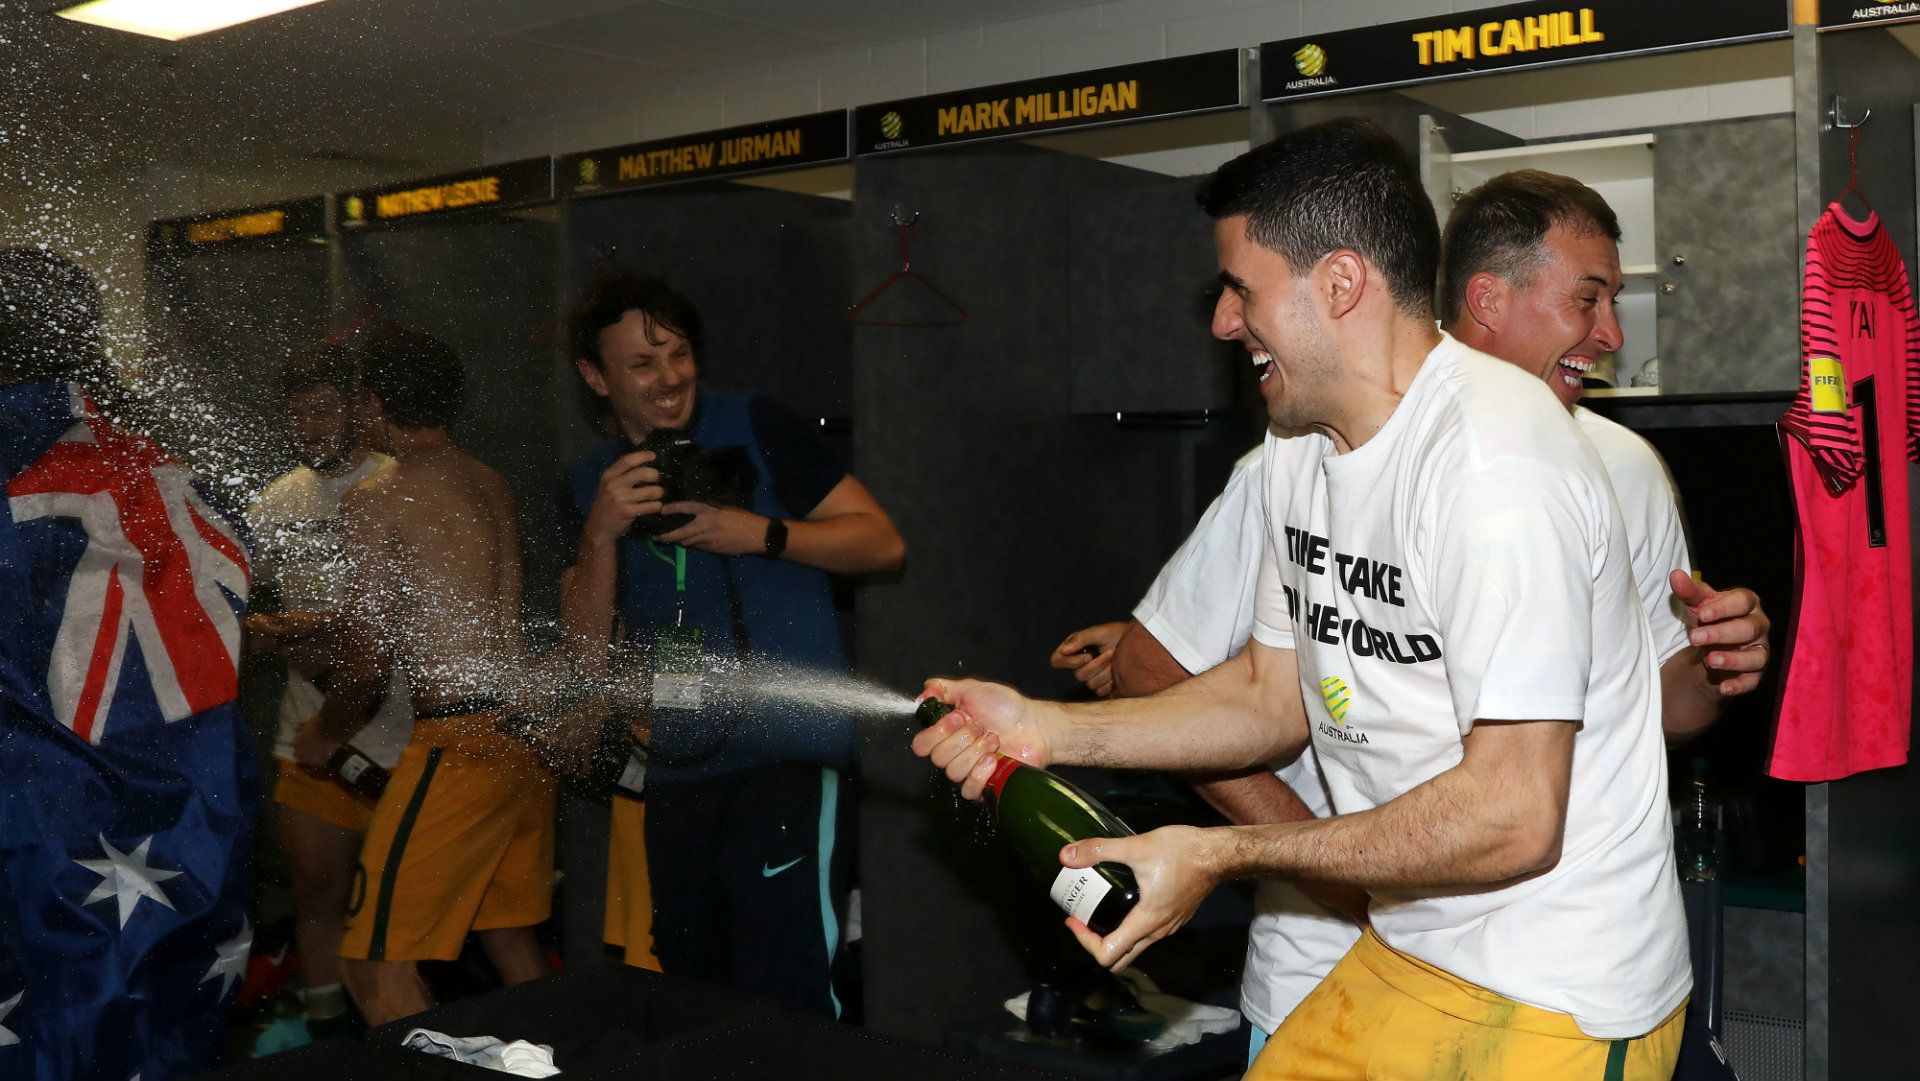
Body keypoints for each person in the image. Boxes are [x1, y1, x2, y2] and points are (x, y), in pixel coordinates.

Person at [918, 119, 1690, 1079]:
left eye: (1243, 290)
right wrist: (1045, 728)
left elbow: (1514, 813)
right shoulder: (1298, 449)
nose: (1223, 323)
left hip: (1556, 982)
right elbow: (1264, 693)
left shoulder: (1496, 463)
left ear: (1340, 283)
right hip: (1415, 944)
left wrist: (1219, 854)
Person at [560, 272, 903, 1016]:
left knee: (787, 981)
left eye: (678, 355)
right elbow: (588, 656)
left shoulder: (753, 422)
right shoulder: (591, 482)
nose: (668, 378)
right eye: (641, 365)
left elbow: (883, 544)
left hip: (789, 754)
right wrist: (600, 533)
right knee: (691, 982)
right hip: (679, 769)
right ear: (596, 377)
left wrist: (762, 534)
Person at [0, 248, 257, 1079]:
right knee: (164, 1041)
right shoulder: (169, 461)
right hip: (199, 823)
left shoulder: (13, 475)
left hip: (42, 836)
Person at [305, 325, 553, 1025]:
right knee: (506, 933)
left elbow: (367, 658)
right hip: (522, 735)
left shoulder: (380, 497)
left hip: (461, 741)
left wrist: (326, 730)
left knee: (372, 961)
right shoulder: (487, 479)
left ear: (375, 403)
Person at [245, 343, 413, 1040]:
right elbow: (244, 608)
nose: (311, 427)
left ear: (358, 409)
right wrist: (258, 626)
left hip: (403, 733)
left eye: (323, 410)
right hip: (307, 730)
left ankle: (411, 1039)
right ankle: (324, 1036)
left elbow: (413, 613)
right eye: (298, 415)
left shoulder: (400, 483)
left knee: (398, 907)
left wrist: (314, 626)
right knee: (316, 889)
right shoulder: (273, 502)